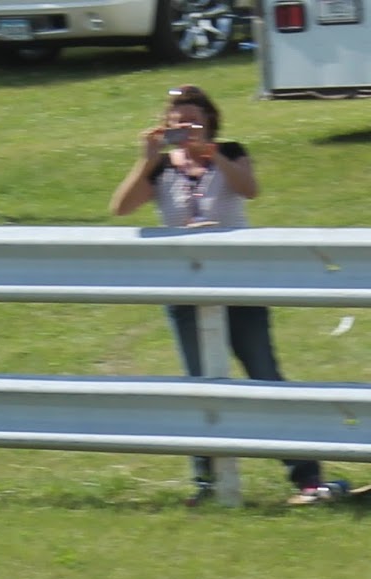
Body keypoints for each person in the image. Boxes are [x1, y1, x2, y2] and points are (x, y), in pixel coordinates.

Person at [108, 84, 334, 507]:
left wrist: (213, 156)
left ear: (210, 121)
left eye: (194, 119)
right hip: (185, 287)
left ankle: (308, 477)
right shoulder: (160, 170)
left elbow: (250, 189)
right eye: (178, 121)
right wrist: (146, 160)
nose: (186, 127)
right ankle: (208, 484)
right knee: (200, 388)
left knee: (265, 377)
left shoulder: (230, 151)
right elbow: (121, 208)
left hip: (239, 282)